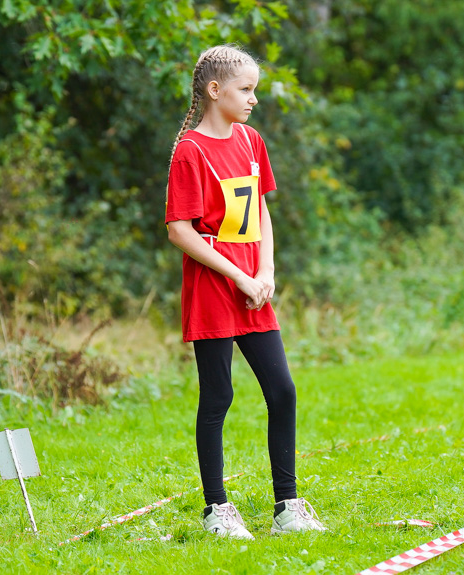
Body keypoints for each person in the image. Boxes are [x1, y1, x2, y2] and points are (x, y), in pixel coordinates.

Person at [165, 44, 326, 540]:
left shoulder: (252, 141)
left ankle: (288, 507)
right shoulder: (190, 151)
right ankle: (217, 510)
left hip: (255, 284)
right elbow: (180, 230)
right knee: (219, 395)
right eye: (246, 89)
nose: (254, 98)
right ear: (216, 91)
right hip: (216, 284)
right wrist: (237, 275)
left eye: (254, 89)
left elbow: (260, 212)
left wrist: (266, 270)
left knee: (282, 390)